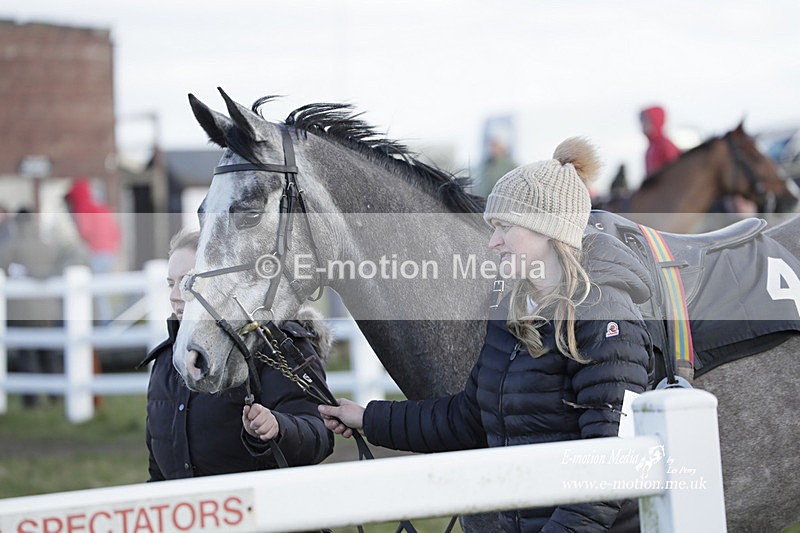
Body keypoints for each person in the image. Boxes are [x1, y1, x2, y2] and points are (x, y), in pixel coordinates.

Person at [320, 138, 654, 532]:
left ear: (547, 230)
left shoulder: (605, 318)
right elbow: (469, 417)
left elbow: (610, 467)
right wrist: (368, 417)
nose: (492, 241)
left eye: (505, 228)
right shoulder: (513, 311)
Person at [140, 228, 334, 480]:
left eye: (189, 281)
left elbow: (319, 435)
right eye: (171, 283)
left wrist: (277, 428)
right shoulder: (166, 360)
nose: (175, 295)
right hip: (187, 517)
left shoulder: (275, 342)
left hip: (260, 513)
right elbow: (159, 469)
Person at [0, 209, 63, 408]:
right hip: (46, 310)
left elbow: (3, 264)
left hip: (23, 310)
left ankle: (31, 399)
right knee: (48, 353)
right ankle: (56, 395)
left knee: (27, 354)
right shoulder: (46, 244)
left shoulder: (13, 245)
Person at [64, 177, 121, 324]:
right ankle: (107, 322)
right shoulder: (102, 208)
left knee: (97, 292)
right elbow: (116, 232)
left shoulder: (84, 209)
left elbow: (84, 231)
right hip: (109, 253)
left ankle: (105, 325)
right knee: (102, 291)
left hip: (96, 253)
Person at [639, 105, 681, 176]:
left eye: (646, 121)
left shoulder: (666, 145)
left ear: (656, 121)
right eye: (642, 122)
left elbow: (676, 172)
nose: (643, 125)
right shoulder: (649, 149)